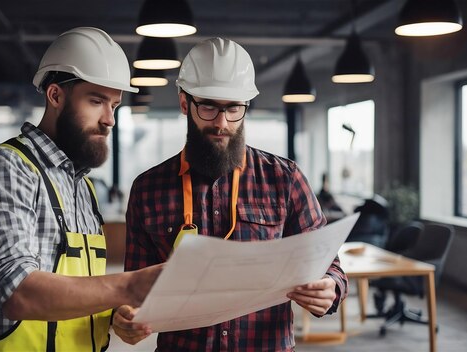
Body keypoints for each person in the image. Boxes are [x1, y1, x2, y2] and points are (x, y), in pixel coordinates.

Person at [113, 38, 349, 351]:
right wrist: (124, 317)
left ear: (246, 107)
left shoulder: (285, 179)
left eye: (234, 108)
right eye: (208, 106)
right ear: (185, 103)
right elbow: (133, 290)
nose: (222, 123)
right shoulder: (148, 190)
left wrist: (330, 287)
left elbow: (330, 265)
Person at [0, 27, 162, 352]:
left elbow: (80, 294)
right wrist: (131, 285)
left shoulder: (84, 189)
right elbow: (18, 293)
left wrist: (115, 315)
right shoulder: (7, 168)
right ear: (55, 96)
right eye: (96, 101)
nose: (109, 119)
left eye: (114, 105)